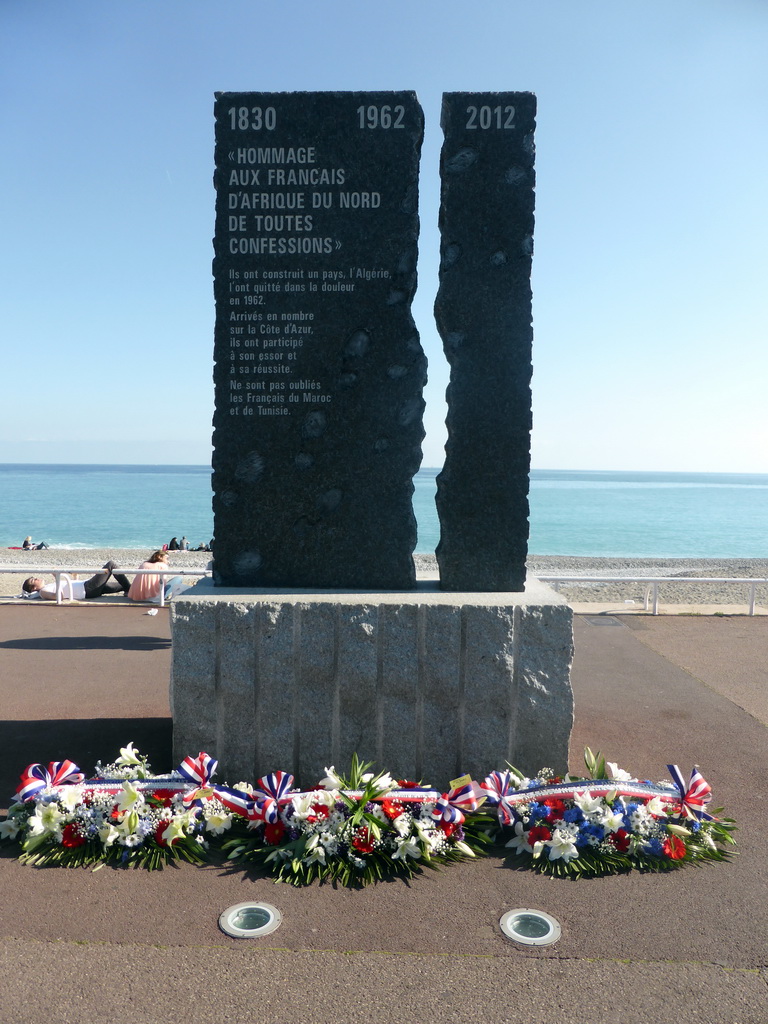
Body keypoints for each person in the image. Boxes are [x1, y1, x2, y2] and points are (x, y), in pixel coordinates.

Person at [22, 561, 131, 601]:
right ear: (34, 588)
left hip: (87, 588)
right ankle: (130, 591)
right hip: (88, 589)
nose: (37, 578)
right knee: (111, 565)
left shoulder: (49, 586)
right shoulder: (43, 592)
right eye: (33, 580)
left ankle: (132, 590)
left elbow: (70, 589)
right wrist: (57, 577)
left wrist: (75, 577)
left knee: (122, 585)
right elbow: (58, 595)